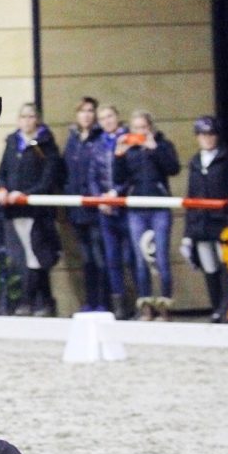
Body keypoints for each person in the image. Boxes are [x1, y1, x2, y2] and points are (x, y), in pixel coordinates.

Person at [0, 102, 63, 316]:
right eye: (23, 116)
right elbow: (3, 170)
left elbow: (49, 177)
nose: (27, 120)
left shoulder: (46, 143)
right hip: (15, 209)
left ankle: (30, 301)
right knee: (31, 254)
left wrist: (27, 194)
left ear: (37, 119)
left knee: (36, 255)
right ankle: (44, 302)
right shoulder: (13, 142)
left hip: (37, 208)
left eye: (31, 116)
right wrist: (3, 189)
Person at [113, 109, 181, 320]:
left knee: (160, 257)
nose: (140, 132)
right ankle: (145, 305)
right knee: (140, 258)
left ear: (150, 128)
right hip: (136, 209)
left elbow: (173, 168)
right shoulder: (129, 149)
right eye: (136, 128)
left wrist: (155, 150)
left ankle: (165, 305)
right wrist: (118, 155)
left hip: (159, 207)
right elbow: (118, 177)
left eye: (143, 128)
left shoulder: (163, 145)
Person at [182, 115, 228, 322]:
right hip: (201, 223)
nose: (207, 139)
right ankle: (216, 306)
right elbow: (191, 196)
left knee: (227, 266)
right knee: (209, 267)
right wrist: (188, 233)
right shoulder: (194, 162)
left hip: (222, 222)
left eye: (211, 135)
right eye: (203, 135)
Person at [62, 96, 108, 312]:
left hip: (97, 208)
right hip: (77, 208)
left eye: (90, 110)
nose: (86, 115)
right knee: (86, 259)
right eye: (83, 111)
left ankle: (103, 302)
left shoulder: (101, 138)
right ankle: (90, 301)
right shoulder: (73, 140)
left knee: (100, 257)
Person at [90, 104, 135, 319]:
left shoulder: (128, 140)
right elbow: (92, 176)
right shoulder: (97, 144)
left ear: (117, 117)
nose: (107, 121)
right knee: (112, 259)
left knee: (131, 257)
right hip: (105, 210)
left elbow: (133, 173)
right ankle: (119, 304)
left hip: (125, 207)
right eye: (103, 118)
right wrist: (100, 199)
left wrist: (116, 192)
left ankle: (139, 301)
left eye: (110, 116)